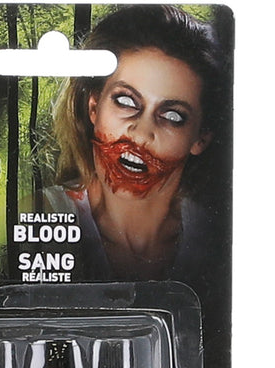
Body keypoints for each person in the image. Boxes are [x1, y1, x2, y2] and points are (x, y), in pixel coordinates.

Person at [45, 4, 228, 282]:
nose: (141, 135)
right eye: (126, 101)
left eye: (173, 116)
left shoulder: (216, 236)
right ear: (94, 107)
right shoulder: (38, 214)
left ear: (201, 138)